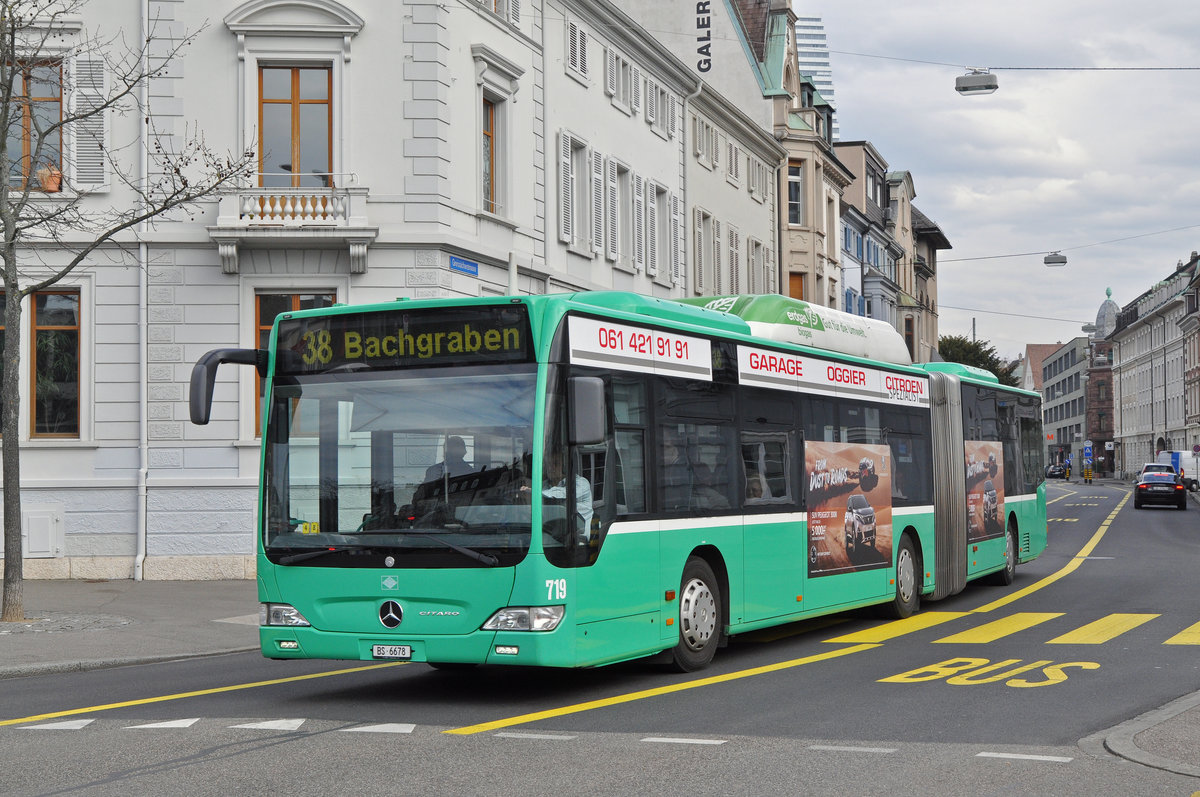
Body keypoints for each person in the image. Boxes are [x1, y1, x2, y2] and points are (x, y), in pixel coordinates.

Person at [524, 450, 593, 541]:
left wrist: (535, 492)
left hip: (578, 541)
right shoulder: (544, 486)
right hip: (550, 537)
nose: (551, 468)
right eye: (548, 464)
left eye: (555, 464)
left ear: (565, 466)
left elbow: (563, 494)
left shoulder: (581, 483)